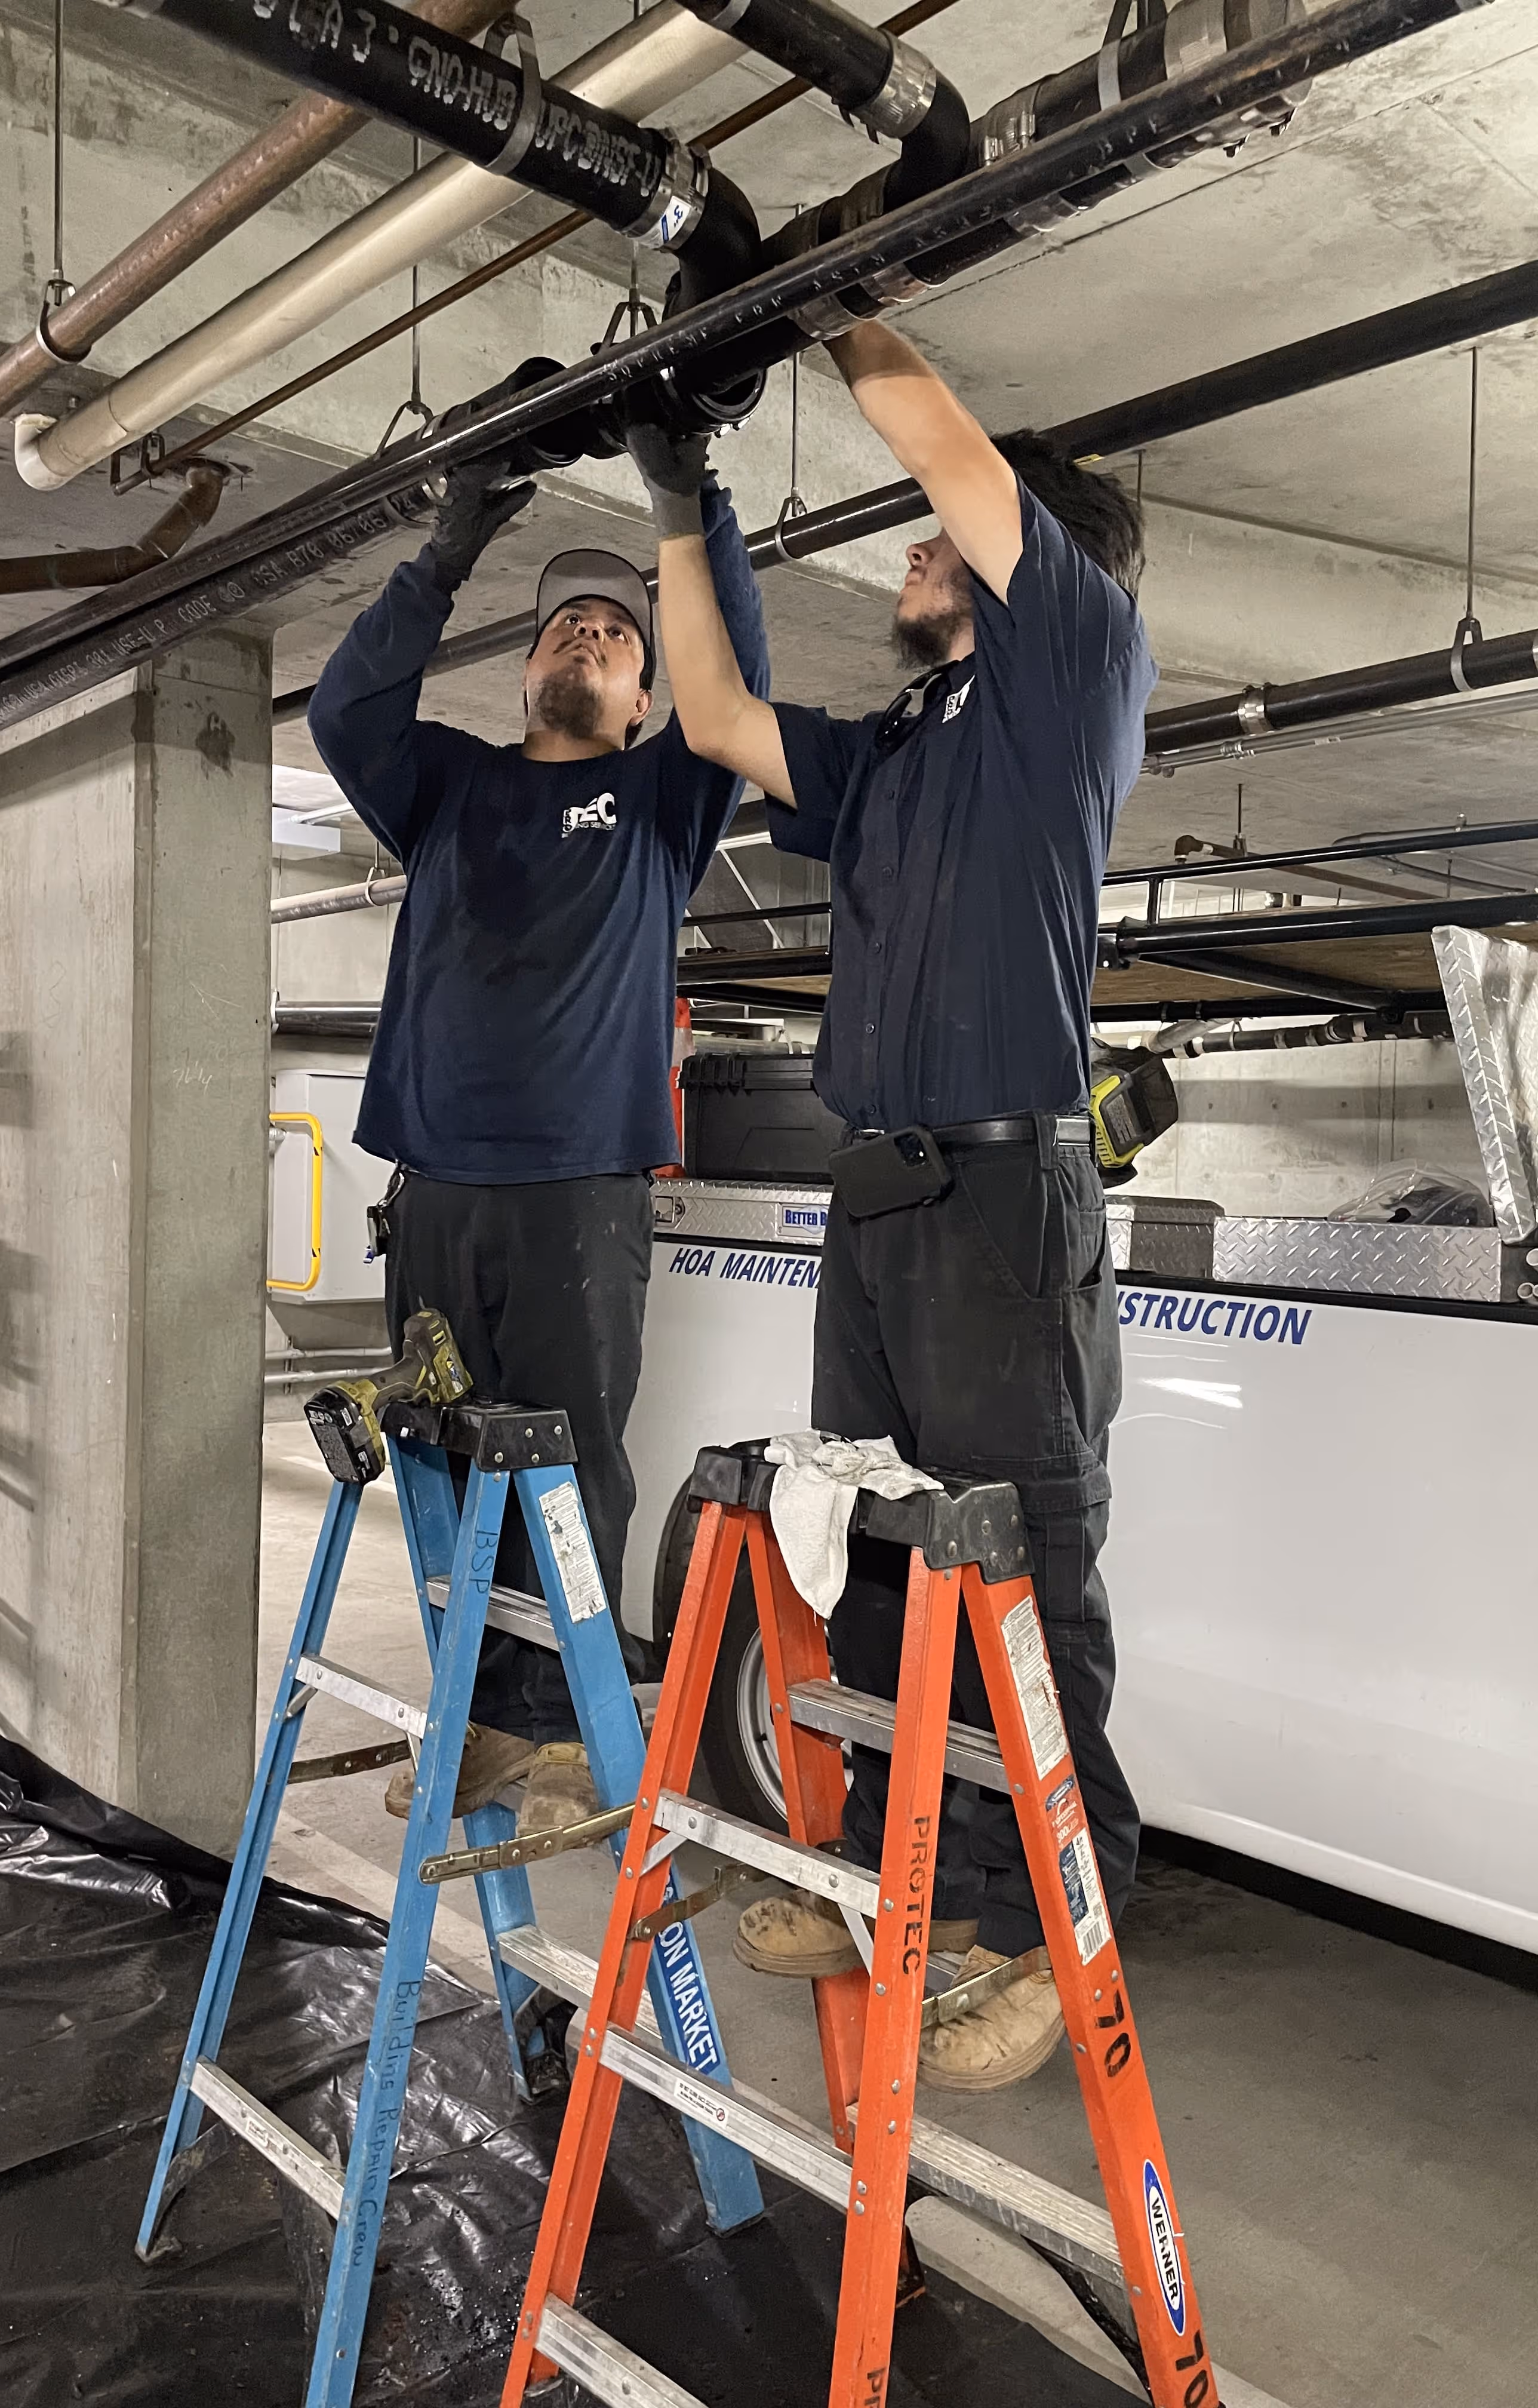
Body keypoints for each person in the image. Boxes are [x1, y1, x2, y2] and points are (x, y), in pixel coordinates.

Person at [630, 321, 1154, 2092]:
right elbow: (709, 716)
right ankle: (889, 1877)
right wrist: (677, 499)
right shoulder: (906, 746)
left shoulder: (1069, 660)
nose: (913, 554)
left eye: (938, 545)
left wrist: (837, 301)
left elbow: (960, 467)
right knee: (864, 1543)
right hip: (878, 1202)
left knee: (1023, 1566)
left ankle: (1039, 1918)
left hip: (1006, 1191)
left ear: (1025, 573)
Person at [308, 435, 767, 1838]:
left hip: (578, 1200)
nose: (591, 632)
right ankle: (482, 1719)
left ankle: (558, 1718)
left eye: (621, 633)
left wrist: (696, 499)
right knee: (445, 1461)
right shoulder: (445, 782)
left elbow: (732, 672)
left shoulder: (663, 800)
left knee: (564, 1459)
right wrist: (448, 550)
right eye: (569, 621)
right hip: (436, 1192)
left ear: (642, 690)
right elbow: (342, 713)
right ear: (525, 673)